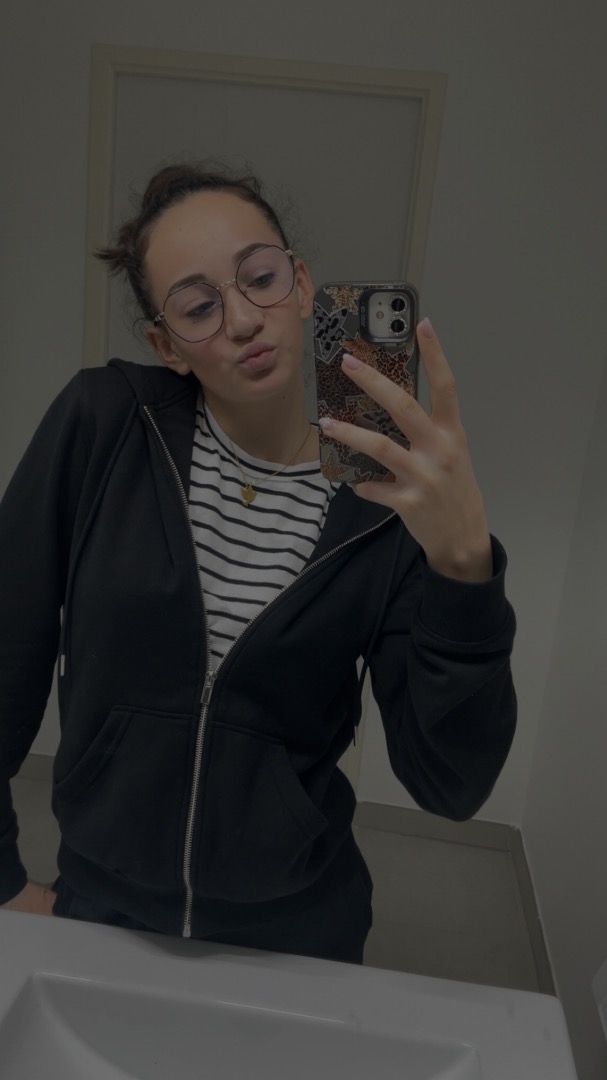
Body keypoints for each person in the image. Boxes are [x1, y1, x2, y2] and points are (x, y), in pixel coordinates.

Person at [0, 163, 516, 964]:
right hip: (102, 909)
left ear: (302, 287)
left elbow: (451, 785)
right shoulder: (104, 426)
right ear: (166, 346)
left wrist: (462, 563)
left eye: (261, 278)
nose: (242, 319)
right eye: (198, 307)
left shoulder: (382, 506)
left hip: (297, 933)